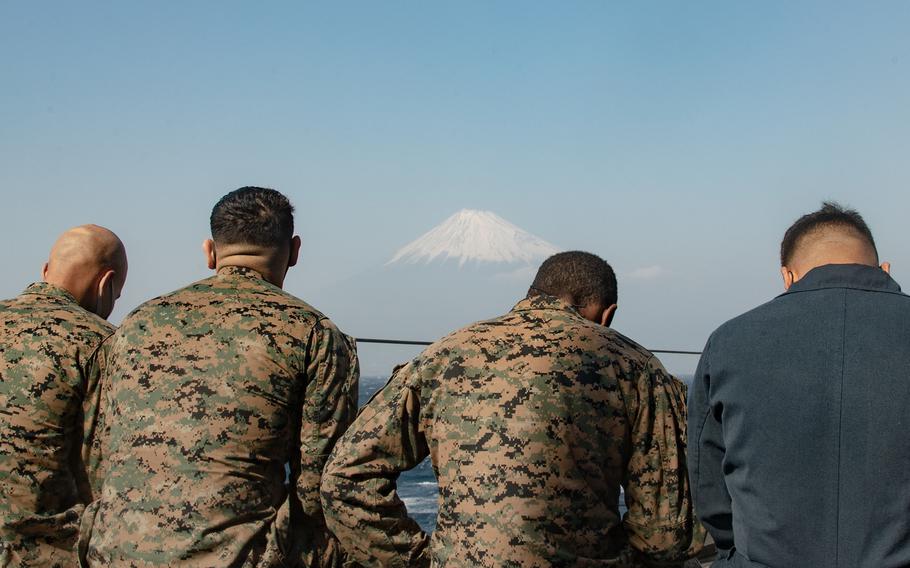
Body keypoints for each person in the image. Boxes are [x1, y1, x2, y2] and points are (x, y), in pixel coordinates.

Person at [321, 251, 700, 567]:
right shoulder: (636, 367)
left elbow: (344, 478)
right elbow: (664, 532)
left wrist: (421, 559)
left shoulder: (444, 355)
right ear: (607, 314)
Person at [79, 187, 360, 567]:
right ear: (294, 251)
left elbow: (98, 453)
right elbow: (321, 486)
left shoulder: (137, 322)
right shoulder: (314, 333)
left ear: (210, 252)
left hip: (114, 552)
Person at [688, 202, 910, 567]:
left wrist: (737, 553)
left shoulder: (729, 340)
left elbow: (708, 485)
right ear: (884, 270)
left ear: (787, 276)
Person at [0, 225, 128, 567]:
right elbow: (106, 473)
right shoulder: (101, 344)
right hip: (43, 555)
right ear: (107, 284)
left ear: (45, 271)